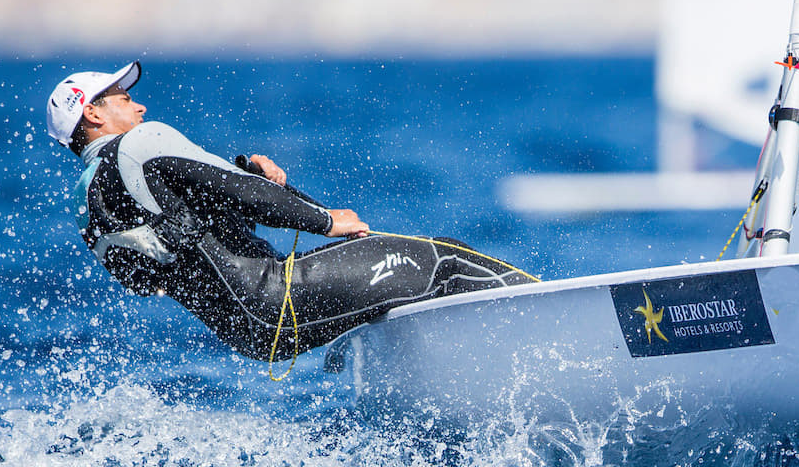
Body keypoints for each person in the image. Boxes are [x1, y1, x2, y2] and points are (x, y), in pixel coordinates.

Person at [46, 61, 532, 362]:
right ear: (93, 113)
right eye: (126, 99)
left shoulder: (88, 202)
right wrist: (326, 220)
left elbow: (157, 270)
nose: (141, 107)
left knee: (409, 288)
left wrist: (258, 179)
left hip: (250, 334)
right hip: (278, 297)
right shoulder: (141, 143)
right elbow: (247, 196)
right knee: (444, 258)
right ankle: (557, 332)